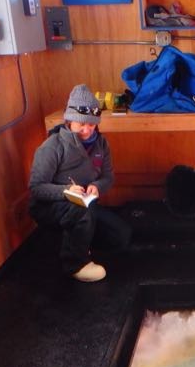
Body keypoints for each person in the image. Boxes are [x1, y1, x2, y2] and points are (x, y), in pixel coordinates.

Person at [29, 84, 132, 282]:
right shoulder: (52, 146)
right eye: (80, 124)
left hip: (87, 204)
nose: (86, 130)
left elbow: (108, 177)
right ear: (69, 121)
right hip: (52, 205)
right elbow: (36, 187)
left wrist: (98, 186)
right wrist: (66, 191)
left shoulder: (101, 144)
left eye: (92, 125)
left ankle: (75, 240)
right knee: (81, 213)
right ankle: (75, 263)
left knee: (121, 236)